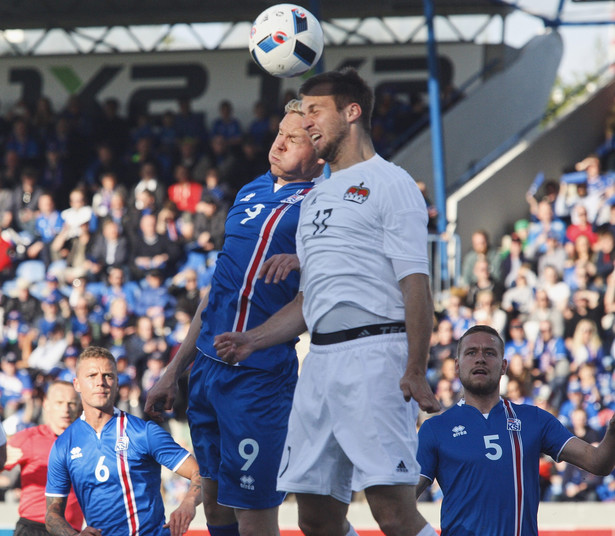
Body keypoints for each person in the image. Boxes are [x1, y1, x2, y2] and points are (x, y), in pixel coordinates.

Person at [214, 68, 439, 536]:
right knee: (314, 516)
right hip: (319, 361)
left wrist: (416, 366)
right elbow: (308, 300)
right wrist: (252, 340)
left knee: (392, 512)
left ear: (351, 113)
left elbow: (416, 283)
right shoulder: (315, 196)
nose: (306, 121)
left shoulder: (391, 182)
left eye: (316, 110)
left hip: (376, 355)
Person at [144, 99, 324, 536]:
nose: (279, 143)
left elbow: (320, 295)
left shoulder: (324, 203)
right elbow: (216, 295)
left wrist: (303, 258)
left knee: (254, 512)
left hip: (258, 379)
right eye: (279, 133)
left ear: (320, 151)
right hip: (206, 373)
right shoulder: (249, 191)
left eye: (293, 138)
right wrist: (173, 371)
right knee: (217, 506)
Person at [415, 325, 615, 536]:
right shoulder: (435, 429)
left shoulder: (534, 419)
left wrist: (612, 430)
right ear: (457, 366)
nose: (480, 358)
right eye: (471, 352)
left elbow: (598, 462)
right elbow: (403, 501)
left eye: (489, 353)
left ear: (503, 366)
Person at [45, 346, 202, 536]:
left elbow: (199, 472)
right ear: (77, 384)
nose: (100, 383)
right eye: (92, 376)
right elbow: (52, 514)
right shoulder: (64, 445)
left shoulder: (143, 432)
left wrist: (188, 503)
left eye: (108, 376)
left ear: (117, 383)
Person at [5, 380, 83, 536]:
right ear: (46, 404)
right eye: (59, 402)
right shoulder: (29, 438)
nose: (65, 409)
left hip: (70, 531)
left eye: (71, 403)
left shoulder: (88, 442)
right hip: (33, 528)